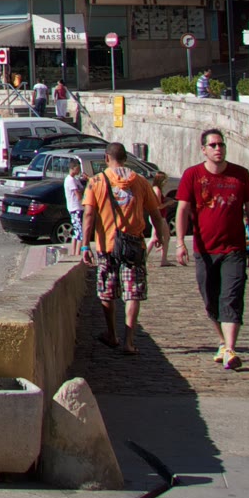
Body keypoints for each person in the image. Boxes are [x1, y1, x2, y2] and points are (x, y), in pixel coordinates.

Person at [175, 127, 249, 370]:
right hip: (205, 250)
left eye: (221, 144)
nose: (218, 149)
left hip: (234, 248)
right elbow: (182, 210)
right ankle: (223, 342)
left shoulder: (240, 175)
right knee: (210, 299)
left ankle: (231, 349)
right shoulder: (193, 175)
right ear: (203, 149)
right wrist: (180, 243)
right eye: (212, 145)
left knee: (231, 297)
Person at [82, 142, 167, 354]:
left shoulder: (96, 182)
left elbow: (89, 215)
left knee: (107, 291)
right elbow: (155, 214)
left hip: (107, 245)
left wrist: (84, 245)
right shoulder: (140, 181)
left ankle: (112, 334)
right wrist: (159, 236)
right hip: (133, 244)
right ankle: (129, 341)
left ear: (106, 158)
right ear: (126, 159)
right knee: (133, 292)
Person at [62, 157, 88, 243]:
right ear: (73, 168)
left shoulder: (75, 179)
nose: (79, 170)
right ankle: (78, 250)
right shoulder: (70, 180)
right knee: (80, 233)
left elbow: (82, 190)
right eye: (78, 168)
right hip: (75, 208)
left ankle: (74, 250)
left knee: (76, 232)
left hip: (78, 208)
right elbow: (78, 196)